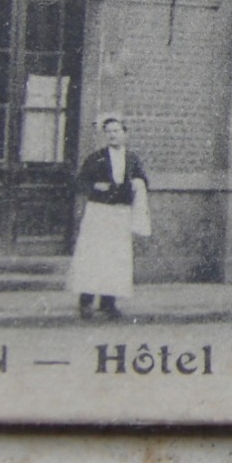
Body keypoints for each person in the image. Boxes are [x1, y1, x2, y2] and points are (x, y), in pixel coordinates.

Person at [68, 115, 149, 320]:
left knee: (115, 257)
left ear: (125, 134)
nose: (113, 135)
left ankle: (108, 302)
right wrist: (95, 186)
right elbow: (79, 182)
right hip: (99, 211)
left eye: (116, 131)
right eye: (109, 132)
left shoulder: (132, 159)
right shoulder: (96, 158)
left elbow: (143, 179)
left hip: (120, 213)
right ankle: (86, 301)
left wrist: (138, 182)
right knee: (93, 256)